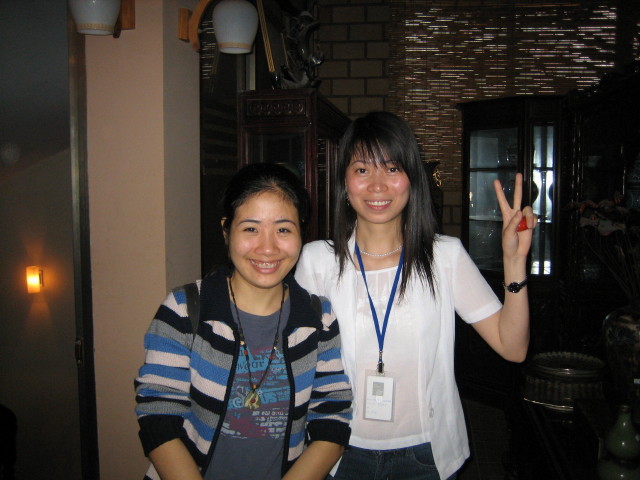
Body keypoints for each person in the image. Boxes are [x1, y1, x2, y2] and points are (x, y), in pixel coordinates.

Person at [294, 111, 536, 480]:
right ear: (345, 180)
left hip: (427, 453)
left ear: (412, 177)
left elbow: (513, 347)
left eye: (392, 168)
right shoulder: (316, 262)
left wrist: (514, 263)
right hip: (338, 450)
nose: (377, 185)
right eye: (362, 170)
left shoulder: (445, 257)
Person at [135, 163, 353, 480]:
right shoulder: (185, 309)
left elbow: (331, 417)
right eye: (251, 229)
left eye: (283, 229)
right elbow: (158, 413)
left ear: (301, 233)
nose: (267, 248)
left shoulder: (318, 318)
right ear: (227, 230)